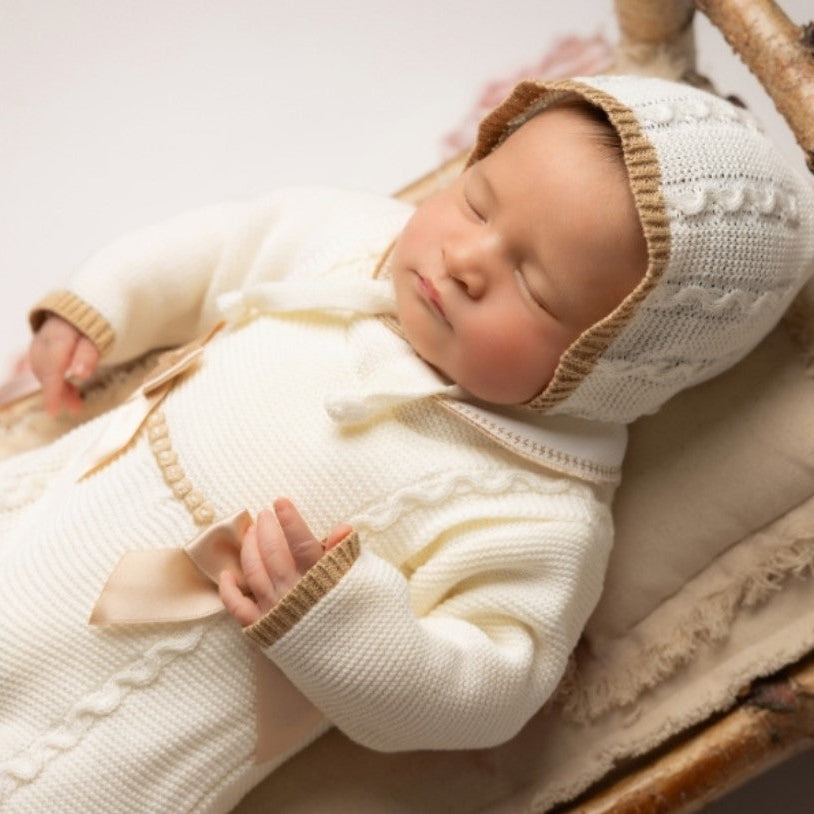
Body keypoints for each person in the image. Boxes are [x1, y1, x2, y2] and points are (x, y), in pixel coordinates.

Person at [2, 75, 813, 813]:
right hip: (42, 524)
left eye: (534, 285)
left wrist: (338, 624)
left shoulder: (540, 509)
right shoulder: (353, 239)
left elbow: (492, 689)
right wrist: (103, 305)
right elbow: (224, 243)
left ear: (612, 372)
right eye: (478, 204)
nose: (464, 260)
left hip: (126, 728)